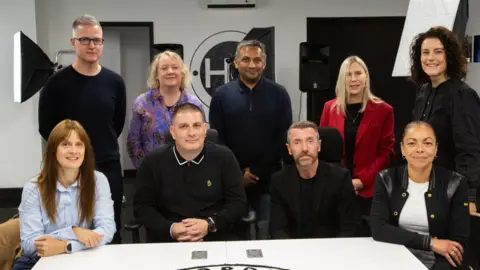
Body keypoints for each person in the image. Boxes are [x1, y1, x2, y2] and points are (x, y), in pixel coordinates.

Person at [38, 14, 126, 243]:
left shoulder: (114, 82)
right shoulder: (56, 83)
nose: (92, 45)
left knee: (109, 227)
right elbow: (47, 128)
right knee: (70, 225)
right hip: (68, 168)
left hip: (107, 164)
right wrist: (72, 151)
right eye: (85, 40)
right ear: (73, 42)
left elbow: (116, 124)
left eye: (97, 40)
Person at [209, 40, 292, 239]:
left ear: (264, 63)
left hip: (269, 178)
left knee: (269, 233)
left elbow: (283, 137)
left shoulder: (279, 94)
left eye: (257, 60)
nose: (252, 64)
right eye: (246, 59)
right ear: (236, 63)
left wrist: (256, 171)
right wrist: (238, 172)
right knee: (233, 234)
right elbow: (217, 138)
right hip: (231, 179)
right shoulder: (221, 96)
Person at [134, 103, 247, 243]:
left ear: (205, 130)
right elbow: (142, 207)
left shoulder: (224, 157)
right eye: (183, 127)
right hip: (168, 241)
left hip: (216, 238)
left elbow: (238, 203)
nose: (192, 133)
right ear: (173, 132)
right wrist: (172, 229)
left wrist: (209, 224)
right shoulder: (152, 161)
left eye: (197, 126)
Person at [12, 120, 116, 270]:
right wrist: (74, 232)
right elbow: (29, 244)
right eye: (66, 144)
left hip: (81, 258)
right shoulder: (33, 188)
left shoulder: (98, 181)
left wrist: (66, 246)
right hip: (36, 261)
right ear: (53, 151)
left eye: (79, 144)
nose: (74, 151)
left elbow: (106, 230)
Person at [371, 121, 470, 270]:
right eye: (412, 143)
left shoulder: (455, 183)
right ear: (402, 149)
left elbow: (457, 243)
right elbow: (378, 228)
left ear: (436, 149)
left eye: (427, 143)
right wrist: (429, 243)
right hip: (393, 256)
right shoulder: (386, 179)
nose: (420, 149)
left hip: (439, 261)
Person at [319, 55, 395, 236]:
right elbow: (322, 148)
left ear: (366, 76)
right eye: (348, 74)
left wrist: (361, 181)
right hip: (334, 187)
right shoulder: (329, 108)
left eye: (358, 73)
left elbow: (386, 153)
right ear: (341, 79)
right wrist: (340, 181)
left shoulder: (384, 110)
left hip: (368, 190)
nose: (353, 79)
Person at [411, 26, 480, 218]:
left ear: (449, 56)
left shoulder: (462, 95)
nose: (430, 58)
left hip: (453, 193)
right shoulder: (422, 92)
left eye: (438, 52)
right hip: (426, 188)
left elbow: (470, 151)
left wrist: (469, 198)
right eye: (425, 52)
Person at [270, 121, 360, 239]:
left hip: (333, 249)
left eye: (310, 141)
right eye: (297, 142)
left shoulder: (340, 178)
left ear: (319, 145)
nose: (305, 148)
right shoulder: (279, 181)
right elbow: (278, 229)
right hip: (294, 250)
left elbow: (349, 228)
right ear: (289, 149)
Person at [127, 50, 205, 169]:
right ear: (156, 75)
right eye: (164, 68)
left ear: (182, 73)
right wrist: (145, 170)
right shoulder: (142, 103)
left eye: (175, 67)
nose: (170, 71)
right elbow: (133, 142)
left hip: (189, 171)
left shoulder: (194, 104)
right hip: (152, 173)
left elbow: (201, 139)